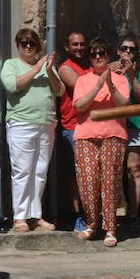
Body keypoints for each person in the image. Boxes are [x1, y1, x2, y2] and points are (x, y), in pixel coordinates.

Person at [0, 27, 62, 232]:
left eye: (32, 44)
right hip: (21, 122)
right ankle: (20, 217)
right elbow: (12, 86)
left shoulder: (45, 66)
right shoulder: (11, 64)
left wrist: (50, 69)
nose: (28, 47)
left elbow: (59, 90)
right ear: (18, 46)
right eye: (24, 43)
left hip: (45, 122)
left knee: (40, 171)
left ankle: (35, 215)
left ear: (37, 47)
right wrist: (36, 69)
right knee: (22, 170)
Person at [71, 38, 130, 245]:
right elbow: (79, 106)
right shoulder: (82, 80)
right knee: (88, 182)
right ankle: (92, 224)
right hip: (86, 135)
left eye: (102, 54)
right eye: (94, 54)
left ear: (108, 56)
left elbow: (124, 104)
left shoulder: (121, 79)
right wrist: (97, 86)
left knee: (110, 182)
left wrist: (110, 85)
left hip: (113, 133)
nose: (98, 57)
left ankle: (111, 228)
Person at [56, 32, 91, 230]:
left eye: (82, 44)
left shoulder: (88, 67)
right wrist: (104, 73)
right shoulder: (66, 68)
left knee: (90, 176)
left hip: (89, 126)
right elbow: (81, 87)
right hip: (72, 128)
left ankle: (90, 214)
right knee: (75, 177)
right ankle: (76, 215)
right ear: (67, 47)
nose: (79, 47)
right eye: (74, 44)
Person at [118, 36, 140, 232]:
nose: (128, 52)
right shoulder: (112, 69)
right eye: (125, 48)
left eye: (132, 50)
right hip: (115, 125)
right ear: (118, 50)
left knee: (135, 169)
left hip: (138, 125)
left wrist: (131, 75)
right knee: (116, 171)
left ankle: (133, 215)